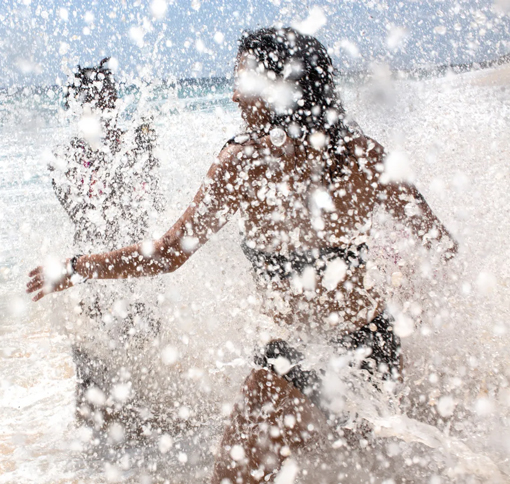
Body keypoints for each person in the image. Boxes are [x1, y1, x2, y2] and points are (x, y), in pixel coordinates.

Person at [29, 28, 457, 482]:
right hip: (374, 352)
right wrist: (400, 293)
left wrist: (77, 268)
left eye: (244, 82)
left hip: (299, 355)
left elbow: (170, 254)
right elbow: (439, 243)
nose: (234, 96)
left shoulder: (246, 163)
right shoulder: (363, 156)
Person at [49, 58, 164, 431]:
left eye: (109, 97)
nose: (105, 106)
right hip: (92, 274)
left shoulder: (137, 140)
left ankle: (145, 438)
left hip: (135, 267)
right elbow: (82, 214)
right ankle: (91, 460)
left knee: (145, 361)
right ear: (79, 108)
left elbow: (152, 202)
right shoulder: (64, 157)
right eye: (96, 100)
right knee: (91, 387)